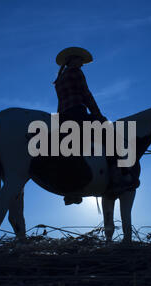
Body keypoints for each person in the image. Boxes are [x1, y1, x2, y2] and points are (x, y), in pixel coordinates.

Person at [53, 47, 138, 204]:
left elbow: (60, 103)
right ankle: (116, 177)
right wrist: (98, 115)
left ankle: (70, 190)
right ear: (72, 59)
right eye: (80, 60)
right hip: (78, 113)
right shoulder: (76, 72)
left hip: (63, 118)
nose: (82, 64)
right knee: (110, 135)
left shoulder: (59, 79)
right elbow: (86, 95)